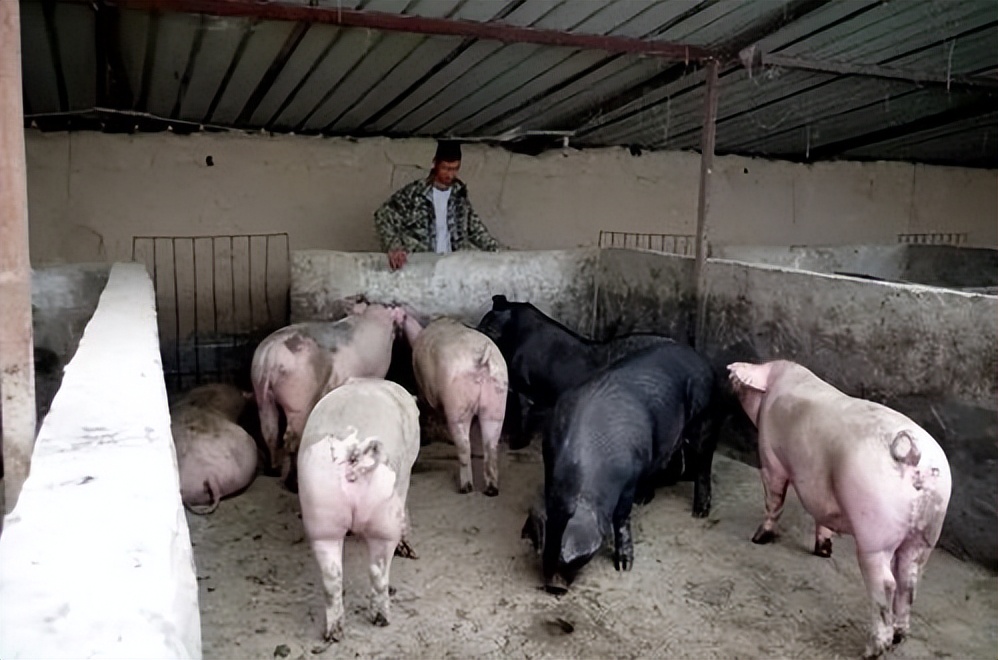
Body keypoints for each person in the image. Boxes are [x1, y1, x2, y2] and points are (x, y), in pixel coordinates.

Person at [373, 140, 502, 271]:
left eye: (455, 169)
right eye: (445, 168)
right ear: (434, 164)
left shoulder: (460, 197)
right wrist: (395, 247)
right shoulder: (414, 193)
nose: (450, 174)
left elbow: (475, 230)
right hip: (421, 266)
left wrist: (497, 253)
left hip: (453, 266)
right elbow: (383, 216)